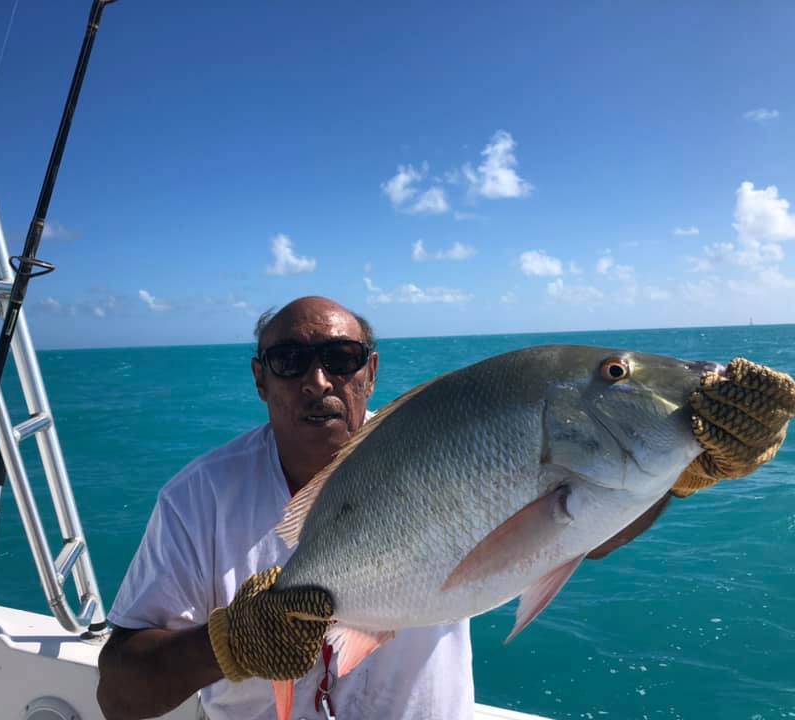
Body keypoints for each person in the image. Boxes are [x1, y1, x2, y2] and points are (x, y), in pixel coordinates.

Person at [96, 295, 791, 720]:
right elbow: (120, 696)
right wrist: (227, 644)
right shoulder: (197, 498)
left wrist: (685, 471)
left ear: (370, 372)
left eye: (341, 358)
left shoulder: (440, 439)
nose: (318, 379)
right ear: (259, 377)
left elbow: (582, 529)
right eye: (289, 360)